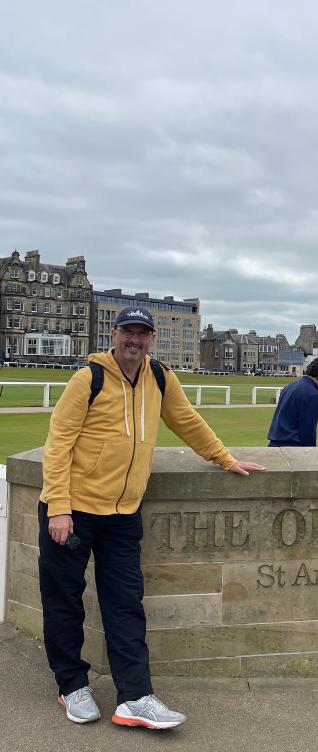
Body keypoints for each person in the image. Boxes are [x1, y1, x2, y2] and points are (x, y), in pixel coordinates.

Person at [39, 307, 265, 730]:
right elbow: (58, 443)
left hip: (123, 513)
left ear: (152, 337)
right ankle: (72, 685)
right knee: (64, 601)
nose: (135, 340)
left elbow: (187, 422)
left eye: (143, 333)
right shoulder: (88, 378)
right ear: (115, 333)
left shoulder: (160, 377)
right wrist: (58, 506)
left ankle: (135, 697)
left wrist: (225, 458)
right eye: (128, 331)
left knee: (126, 605)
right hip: (73, 510)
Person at [267, 357, 318, 446]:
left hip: (274, 443)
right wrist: (311, 451)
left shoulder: (289, 387)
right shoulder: (312, 393)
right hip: (292, 446)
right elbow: (307, 429)